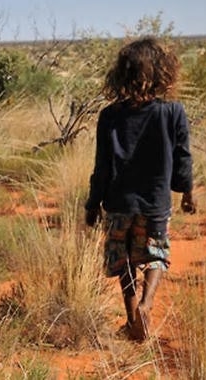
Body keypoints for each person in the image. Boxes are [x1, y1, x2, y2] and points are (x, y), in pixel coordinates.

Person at [84, 36, 196, 342]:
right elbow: (183, 155)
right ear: (162, 72)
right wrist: (186, 191)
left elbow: (102, 165)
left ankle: (133, 318)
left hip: (118, 201)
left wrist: (92, 204)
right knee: (155, 255)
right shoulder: (173, 112)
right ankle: (147, 306)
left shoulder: (110, 116)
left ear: (122, 73)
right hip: (156, 202)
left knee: (123, 262)